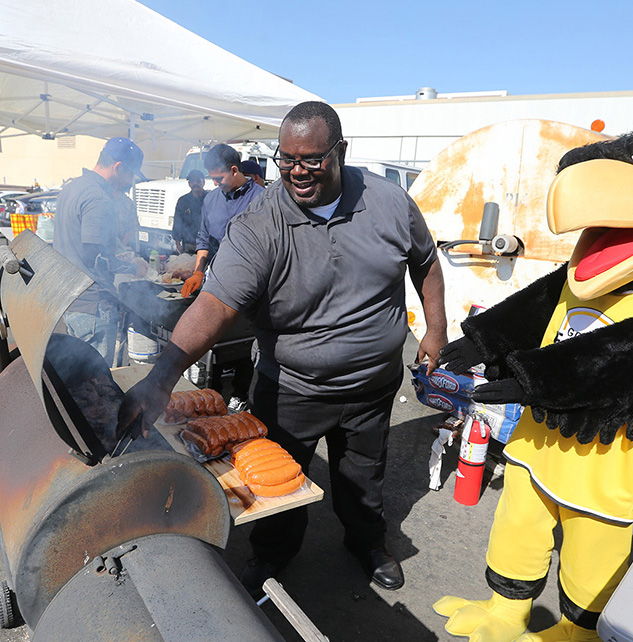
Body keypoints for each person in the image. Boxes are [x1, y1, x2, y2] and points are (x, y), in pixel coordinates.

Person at [119, 101, 447, 597]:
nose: (297, 172)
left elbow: (426, 262)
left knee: (364, 476)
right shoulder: (259, 222)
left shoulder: (390, 202)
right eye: (286, 159)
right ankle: (272, 556)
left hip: (373, 385)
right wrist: (161, 377)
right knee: (278, 484)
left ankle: (367, 543)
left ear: (341, 152)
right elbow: (214, 306)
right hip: (293, 389)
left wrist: (436, 328)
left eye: (312, 159)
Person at [54, 136, 147, 366]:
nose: (130, 182)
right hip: (92, 304)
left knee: (79, 375)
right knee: (96, 382)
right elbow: (95, 257)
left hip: (68, 297)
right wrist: (133, 267)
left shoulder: (72, 187)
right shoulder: (98, 198)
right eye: (131, 175)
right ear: (119, 168)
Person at [179, 144, 265, 298]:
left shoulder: (262, 199)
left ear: (234, 170)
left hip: (251, 284)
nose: (215, 183)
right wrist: (198, 273)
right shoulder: (211, 199)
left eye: (219, 178)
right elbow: (204, 239)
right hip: (216, 280)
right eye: (212, 178)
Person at [172, 169, 207, 254]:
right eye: (192, 181)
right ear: (189, 184)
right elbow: (178, 221)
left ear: (203, 182)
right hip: (188, 244)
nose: (195, 184)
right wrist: (177, 242)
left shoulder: (210, 198)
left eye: (198, 181)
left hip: (207, 244)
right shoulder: (183, 201)